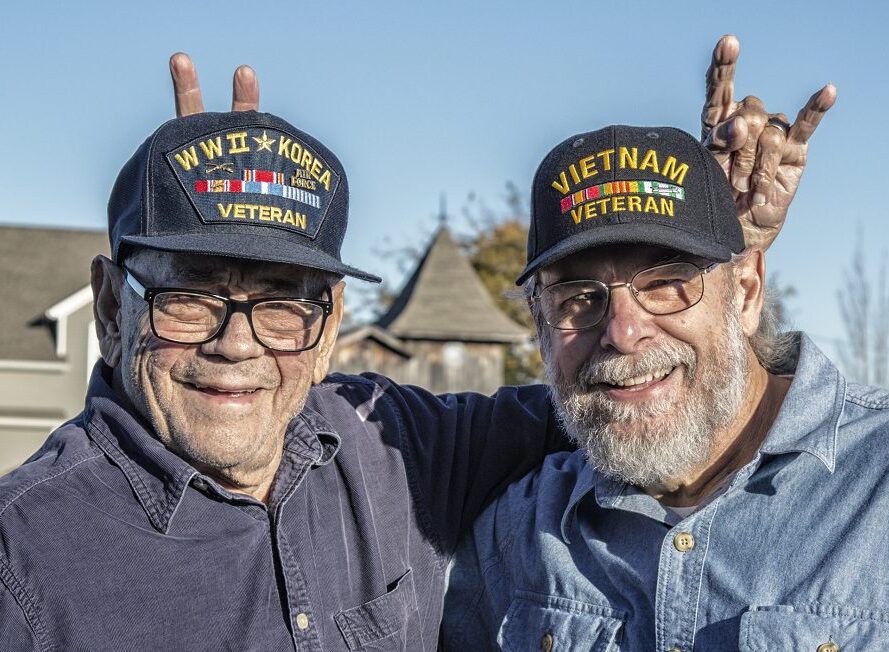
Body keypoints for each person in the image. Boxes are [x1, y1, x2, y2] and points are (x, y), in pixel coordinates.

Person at [0, 37, 826, 650]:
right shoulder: (27, 556)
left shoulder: (393, 445)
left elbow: (632, 397)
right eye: (187, 298)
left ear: (329, 326)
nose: (235, 344)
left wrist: (704, 252)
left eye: (283, 303)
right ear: (113, 306)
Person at [441, 124, 889, 649]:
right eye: (578, 297)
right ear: (539, 322)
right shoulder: (516, 532)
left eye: (667, 283)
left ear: (745, 292)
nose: (624, 333)